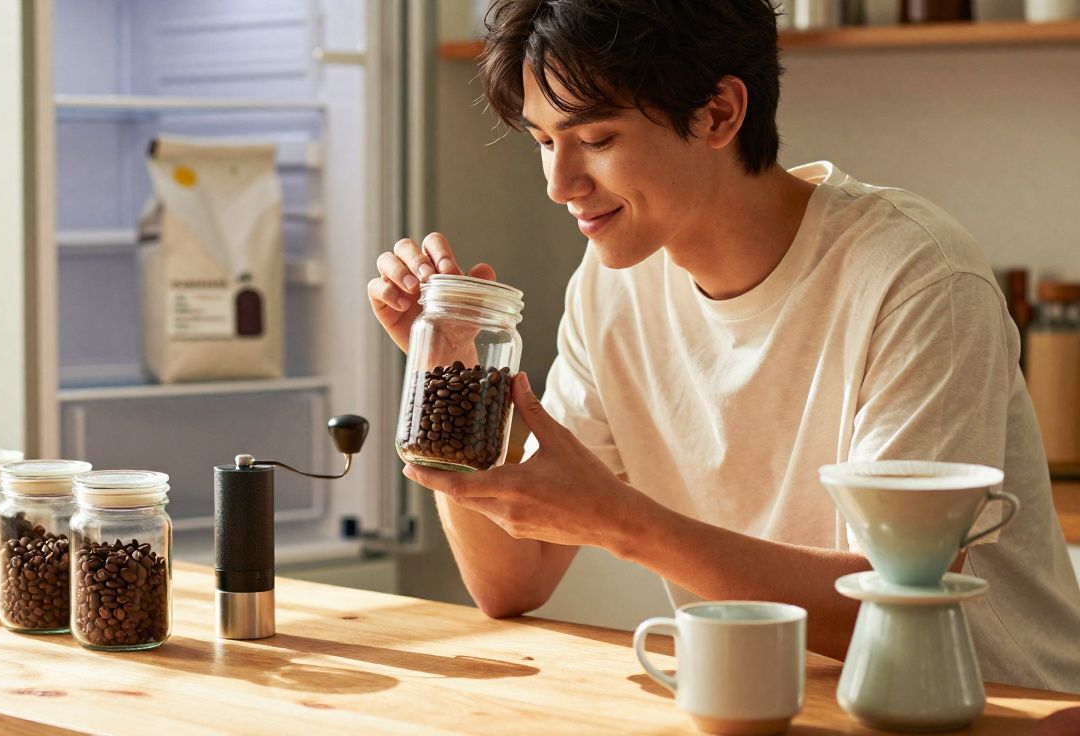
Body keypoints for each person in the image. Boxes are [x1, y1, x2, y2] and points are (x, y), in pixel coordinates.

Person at [367, 0, 1080, 692]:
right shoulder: (612, 285)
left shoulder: (915, 276)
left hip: (998, 710)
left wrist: (622, 523)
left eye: (597, 139)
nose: (559, 184)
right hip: (771, 707)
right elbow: (510, 582)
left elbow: (898, 605)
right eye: (544, 141)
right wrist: (446, 372)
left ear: (718, 113)